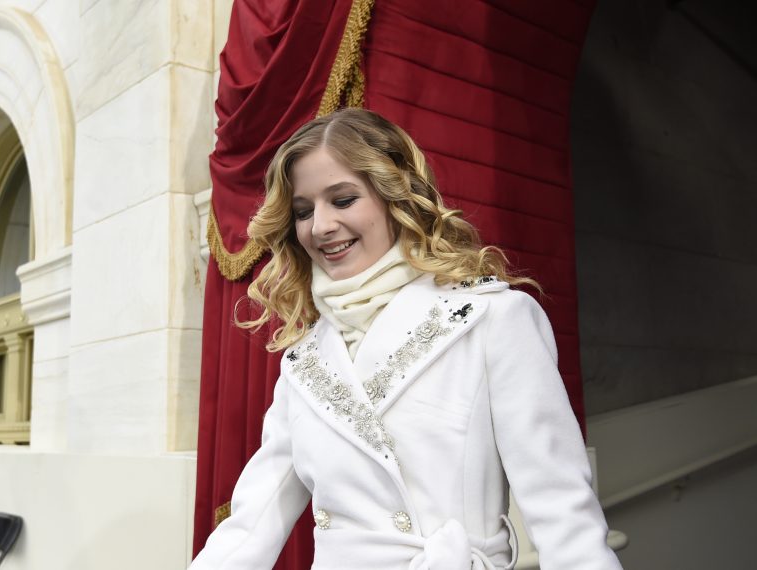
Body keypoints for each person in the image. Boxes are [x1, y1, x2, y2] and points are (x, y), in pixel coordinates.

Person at [190, 109, 622, 569]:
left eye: (342, 199)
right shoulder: (304, 360)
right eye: (303, 210)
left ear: (395, 196)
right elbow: (253, 521)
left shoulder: (493, 318)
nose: (320, 226)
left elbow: (561, 510)